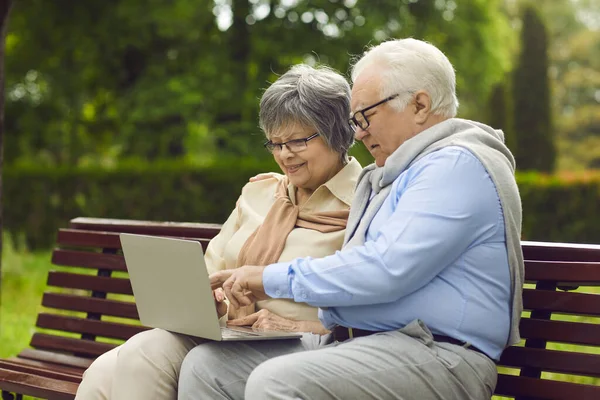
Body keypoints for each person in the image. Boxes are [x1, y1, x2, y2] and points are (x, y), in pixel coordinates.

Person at [178, 38, 525, 400]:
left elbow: (384, 269)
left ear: (420, 104)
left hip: (442, 355)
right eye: (356, 121)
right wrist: (318, 324)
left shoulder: (455, 164)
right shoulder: (400, 174)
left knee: (279, 382)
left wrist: (266, 279)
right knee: (208, 369)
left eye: (366, 116)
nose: (357, 133)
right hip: (372, 344)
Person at [74, 64, 362, 400]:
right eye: (275, 142)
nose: (284, 154)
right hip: (228, 332)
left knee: (143, 357)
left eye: (297, 140)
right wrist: (212, 300)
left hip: (300, 344)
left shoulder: (365, 202)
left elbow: (369, 306)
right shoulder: (259, 193)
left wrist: (302, 326)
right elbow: (212, 270)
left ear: (337, 132)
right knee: (104, 371)